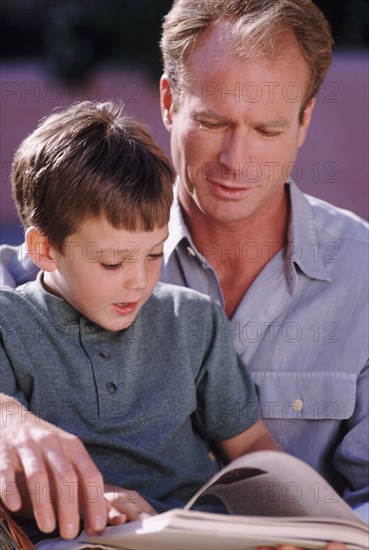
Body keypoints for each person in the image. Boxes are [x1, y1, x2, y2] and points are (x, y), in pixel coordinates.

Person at [0, 0, 368, 542]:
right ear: (170, 102)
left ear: (304, 119)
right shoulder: (36, 270)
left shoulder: (362, 276)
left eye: (267, 130)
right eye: (213, 121)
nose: (236, 161)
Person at [0, 99, 282, 543]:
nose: (139, 282)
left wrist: (296, 506)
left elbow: (248, 444)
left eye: (154, 254)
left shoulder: (192, 318)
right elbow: (13, 475)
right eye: (112, 263)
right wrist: (97, 499)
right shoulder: (10, 324)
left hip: (195, 534)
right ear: (45, 250)